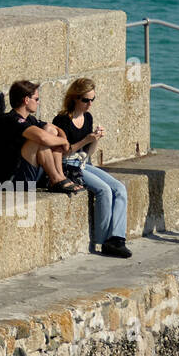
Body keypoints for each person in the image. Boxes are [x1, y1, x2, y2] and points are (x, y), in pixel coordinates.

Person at [53, 78, 132, 258]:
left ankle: (117, 238)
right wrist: (86, 139)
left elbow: (88, 153)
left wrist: (95, 139)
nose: (89, 104)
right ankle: (103, 241)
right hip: (67, 166)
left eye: (92, 100)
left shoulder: (87, 118)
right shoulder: (62, 120)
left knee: (119, 188)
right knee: (104, 190)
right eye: (85, 100)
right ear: (74, 98)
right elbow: (61, 153)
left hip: (83, 163)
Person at [0, 80, 82, 194]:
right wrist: (64, 142)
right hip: (10, 182)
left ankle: (60, 176)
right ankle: (56, 179)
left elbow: (55, 129)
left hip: (27, 176)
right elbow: (42, 138)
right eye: (36, 99)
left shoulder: (30, 119)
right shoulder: (11, 119)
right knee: (38, 141)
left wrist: (62, 138)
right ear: (26, 100)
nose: (38, 102)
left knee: (50, 131)